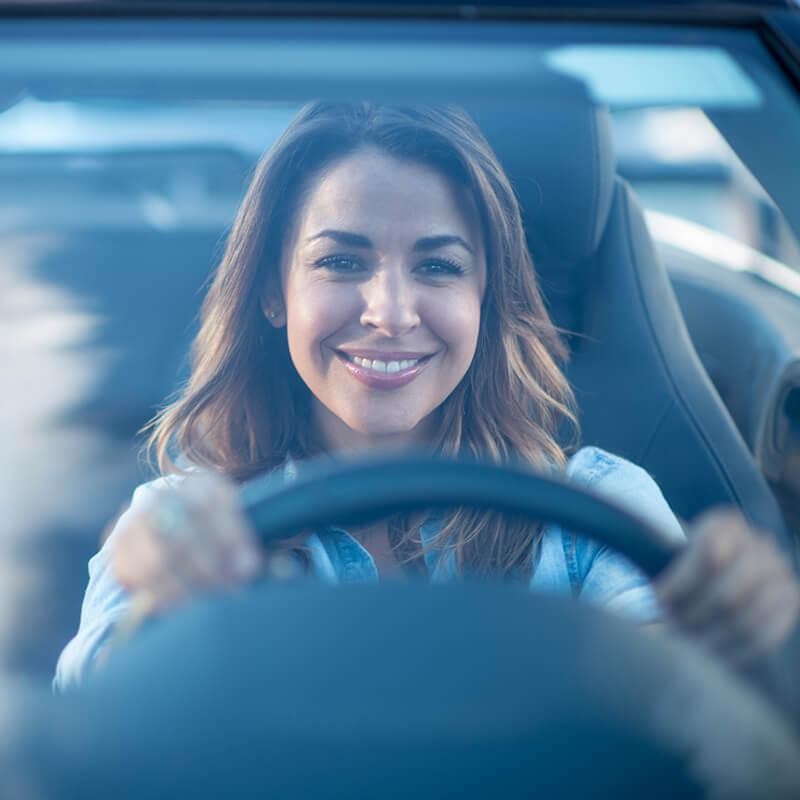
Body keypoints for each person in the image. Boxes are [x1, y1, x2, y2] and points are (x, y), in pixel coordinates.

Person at [54, 102, 799, 695]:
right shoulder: (183, 530)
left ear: (485, 298)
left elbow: (688, 726)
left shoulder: (597, 515)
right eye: (342, 260)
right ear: (273, 293)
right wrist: (154, 611)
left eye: (438, 266)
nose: (390, 310)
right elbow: (86, 742)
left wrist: (733, 639)